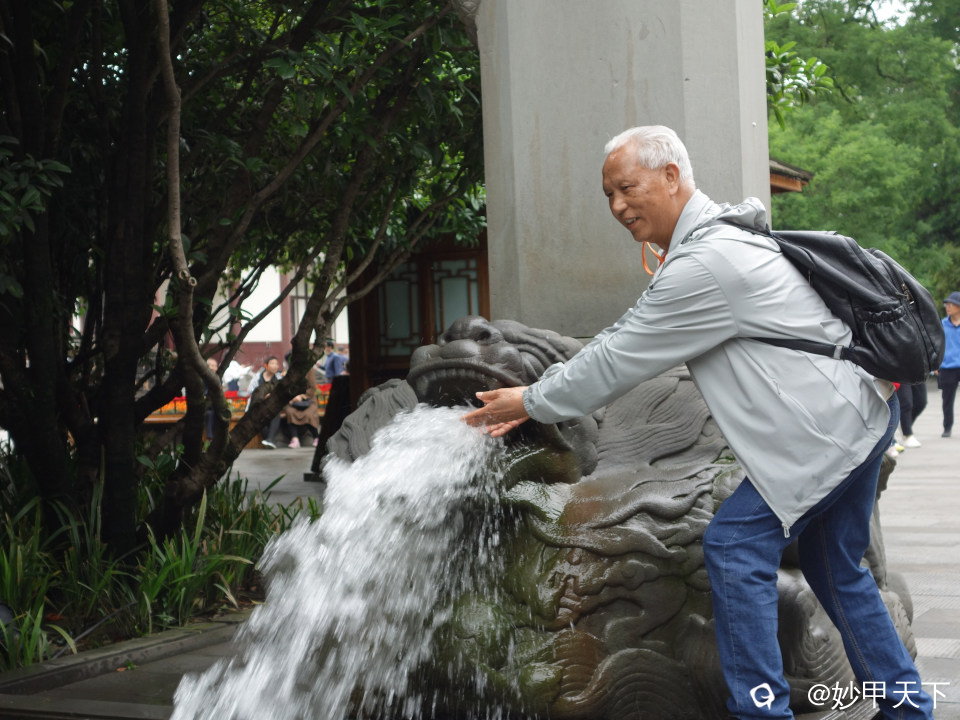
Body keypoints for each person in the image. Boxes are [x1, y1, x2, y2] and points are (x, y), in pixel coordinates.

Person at [463, 126, 933, 720]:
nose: (617, 206)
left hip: (828, 430)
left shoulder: (706, 262)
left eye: (627, 188)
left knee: (734, 545)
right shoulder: (719, 239)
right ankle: (908, 707)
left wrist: (530, 400)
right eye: (608, 194)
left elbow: (618, 357)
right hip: (857, 412)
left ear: (670, 176)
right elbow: (626, 334)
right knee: (834, 566)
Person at [248, 356, 283, 449]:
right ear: (266, 366)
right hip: (259, 405)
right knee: (259, 415)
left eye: (276, 364)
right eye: (272, 363)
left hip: (274, 405)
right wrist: (263, 397)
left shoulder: (279, 378)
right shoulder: (257, 378)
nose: (275, 366)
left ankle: (269, 439)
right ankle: (269, 439)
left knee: (276, 411)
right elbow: (251, 391)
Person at [938, 290, 960, 438]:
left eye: (951, 304)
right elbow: (936, 345)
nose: (947, 307)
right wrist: (935, 364)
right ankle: (947, 427)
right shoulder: (942, 324)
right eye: (946, 304)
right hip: (947, 367)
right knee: (947, 400)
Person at [896, 382, 927, 447]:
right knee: (906, 403)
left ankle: (903, 424)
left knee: (921, 402)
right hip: (901, 377)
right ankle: (907, 435)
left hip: (917, 375)